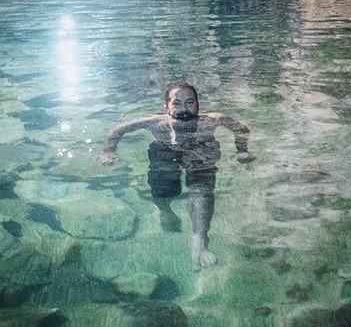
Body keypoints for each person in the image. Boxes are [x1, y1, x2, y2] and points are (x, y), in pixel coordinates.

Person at [98, 82, 254, 268]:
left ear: (198, 104)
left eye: (189, 102)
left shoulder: (212, 119)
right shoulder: (155, 122)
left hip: (199, 153)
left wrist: (241, 150)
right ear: (166, 107)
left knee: (202, 191)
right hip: (166, 151)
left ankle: (200, 241)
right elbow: (118, 130)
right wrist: (108, 151)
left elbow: (240, 128)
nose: (184, 108)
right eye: (177, 103)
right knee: (162, 184)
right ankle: (165, 210)